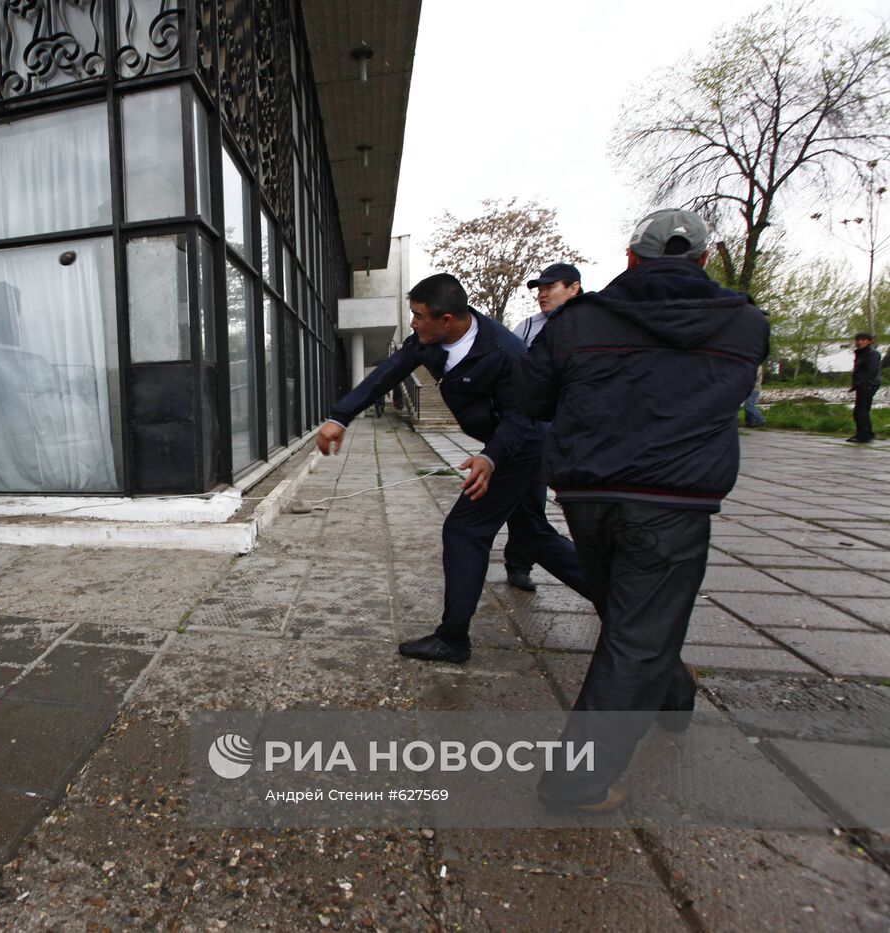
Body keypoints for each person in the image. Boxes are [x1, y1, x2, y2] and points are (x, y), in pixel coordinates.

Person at [515, 210, 769, 811]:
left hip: (588, 494)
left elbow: (531, 398)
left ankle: (672, 695)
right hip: (675, 498)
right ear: (704, 260)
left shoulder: (577, 322)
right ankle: (576, 783)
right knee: (639, 632)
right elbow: (733, 392)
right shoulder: (744, 323)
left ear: (630, 258)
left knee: (629, 620)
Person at [317, 273, 588, 664]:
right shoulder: (430, 340)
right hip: (512, 445)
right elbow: (387, 373)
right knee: (534, 534)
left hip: (523, 445)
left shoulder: (505, 353)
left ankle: (453, 639)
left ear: (447, 320)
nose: (413, 324)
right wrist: (340, 417)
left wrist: (490, 458)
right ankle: (625, 605)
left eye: (418, 316)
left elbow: (520, 417)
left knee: (464, 530)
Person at [504, 262, 583, 592]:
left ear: (574, 288)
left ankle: (600, 567)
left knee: (584, 506)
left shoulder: (591, 323)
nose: (542, 294)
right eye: (539, 288)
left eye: (551, 287)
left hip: (581, 432)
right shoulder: (527, 328)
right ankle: (520, 562)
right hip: (538, 429)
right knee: (529, 502)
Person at [849, 332, 880, 444]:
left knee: (861, 411)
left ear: (869, 341)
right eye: (858, 340)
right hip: (862, 384)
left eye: (863, 340)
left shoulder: (872, 353)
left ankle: (864, 436)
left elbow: (871, 371)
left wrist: (863, 383)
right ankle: (865, 433)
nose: (859, 342)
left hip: (868, 384)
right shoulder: (861, 353)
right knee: (860, 411)